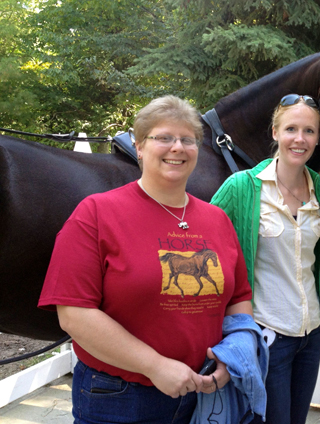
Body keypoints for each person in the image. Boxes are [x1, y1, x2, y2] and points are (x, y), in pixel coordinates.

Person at [38, 95, 253, 424]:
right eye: (164, 137)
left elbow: (239, 297)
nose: (177, 147)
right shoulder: (96, 214)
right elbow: (74, 314)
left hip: (204, 398)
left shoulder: (216, 220)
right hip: (120, 398)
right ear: (138, 146)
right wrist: (155, 365)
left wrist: (233, 356)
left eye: (188, 139)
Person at [211, 93, 320, 424]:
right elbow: (204, 247)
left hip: (311, 335)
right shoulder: (242, 187)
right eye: (291, 129)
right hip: (266, 335)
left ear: (318, 138)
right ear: (275, 133)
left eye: (309, 131)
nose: (299, 139)